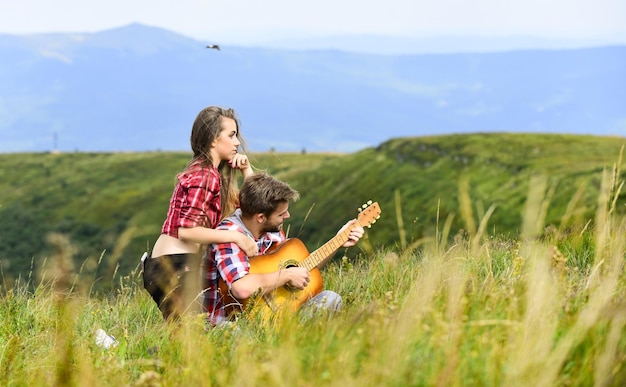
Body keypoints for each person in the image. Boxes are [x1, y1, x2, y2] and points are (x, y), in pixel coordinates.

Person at [142, 106, 259, 321]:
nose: (237, 142)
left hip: (171, 265)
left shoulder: (209, 174)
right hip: (174, 266)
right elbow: (187, 231)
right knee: (196, 337)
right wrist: (236, 237)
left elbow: (255, 209)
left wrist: (246, 171)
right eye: (231, 135)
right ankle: (109, 346)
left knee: (189, 339)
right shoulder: (205, 176)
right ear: (213, 139)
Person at [203, 173, 365, 326]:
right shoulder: (229, 236)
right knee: (231, 332)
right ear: (260, 217)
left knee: (330, 299)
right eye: (281, 214)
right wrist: (286, 275)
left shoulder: (269, 230)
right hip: (239, 322)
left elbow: (302, 268)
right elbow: (241, 288)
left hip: (281, 314)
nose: (287, 216)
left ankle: (295, 347)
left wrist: (338, 240)